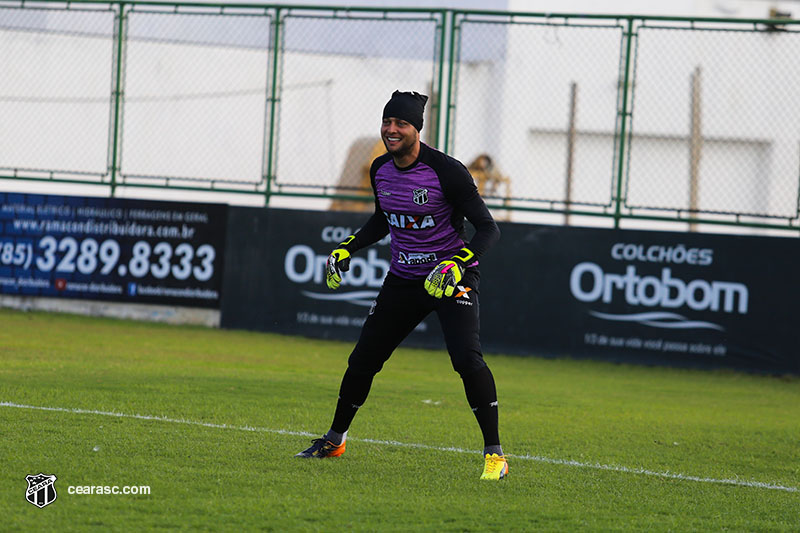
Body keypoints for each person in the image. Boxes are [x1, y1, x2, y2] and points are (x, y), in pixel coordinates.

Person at [295, 90, 507, 480]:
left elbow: (488, 228)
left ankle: (495, 456)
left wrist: (459, 264)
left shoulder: (447, 170)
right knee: (362, 361)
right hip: (404, 278)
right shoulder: (379, 169)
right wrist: (348, 247)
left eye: (401, 124)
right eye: (387, 122)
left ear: (416, 130)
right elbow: (383, 219)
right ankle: (335, 439)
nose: (392, 130)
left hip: (448, 278)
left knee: (466, 359)